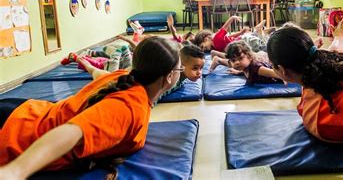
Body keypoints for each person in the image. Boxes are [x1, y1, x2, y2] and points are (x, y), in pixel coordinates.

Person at [0, 37, 182, 178]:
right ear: (169, 77)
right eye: (179, 70)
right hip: (15, 132)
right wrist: (17, 171)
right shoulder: (129, 107)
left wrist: (85, 64)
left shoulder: (124, 78)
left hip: (24, 112)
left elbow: (99, 74)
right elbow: (72, 132)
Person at [77, 43, 205, 105]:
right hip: (126, 75)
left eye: (201, 68)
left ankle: (118, 53)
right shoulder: (169, 78)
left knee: (116, 67)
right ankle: (88, 62)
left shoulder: (179, 75)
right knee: (104, 75)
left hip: (131, 70)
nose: (199, 73)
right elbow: (157, 94)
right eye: (195, 68)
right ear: (179, 67)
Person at [210, 41, 284, 85]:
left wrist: (284, 78)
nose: (236, 63)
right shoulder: (245, 66)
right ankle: (219, 60)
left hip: (278, 71)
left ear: (250, 57)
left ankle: (219, 60)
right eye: (233, 60)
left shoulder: (257, 68)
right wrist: (239, 72)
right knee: (237, 64)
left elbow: (274, 73)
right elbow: (248, 70)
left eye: (240, 58)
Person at [194, 16, 272, 53]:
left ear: (206, 39)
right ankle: (259, 31)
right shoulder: (215, 45)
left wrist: (232, 18)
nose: (204, 49)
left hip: (243, 42)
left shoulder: (216, 39)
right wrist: (240, 32)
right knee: (253, 38)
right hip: (241, 39)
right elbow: (229, 37)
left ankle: (261, 33)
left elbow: (224, 28)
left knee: (262, 47)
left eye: (202, 46)